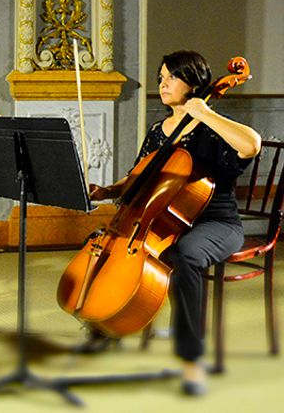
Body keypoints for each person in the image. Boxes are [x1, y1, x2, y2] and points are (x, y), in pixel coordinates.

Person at [87, 50, 261, 396]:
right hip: (168, 219)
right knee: (105, 245)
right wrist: (108, 190)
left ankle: (191, 360)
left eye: (171, 77)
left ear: (194, 83)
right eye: (161, 77)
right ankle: (107, 324)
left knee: (184, 256)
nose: (162, 83)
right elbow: (137, 178)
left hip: (216, 221)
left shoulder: (213, 128)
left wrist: (205, 113)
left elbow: (251, 145)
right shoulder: (158, 131)